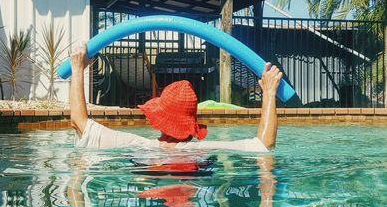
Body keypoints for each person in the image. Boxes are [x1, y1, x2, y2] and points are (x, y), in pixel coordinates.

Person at [70, 43, 283, 152]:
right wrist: (269, 94)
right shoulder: (202, 150)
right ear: (191, 123)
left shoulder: (138, 144)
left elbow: (79, 123)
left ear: (159, 120)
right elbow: (265, 145)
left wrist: (77, 69)